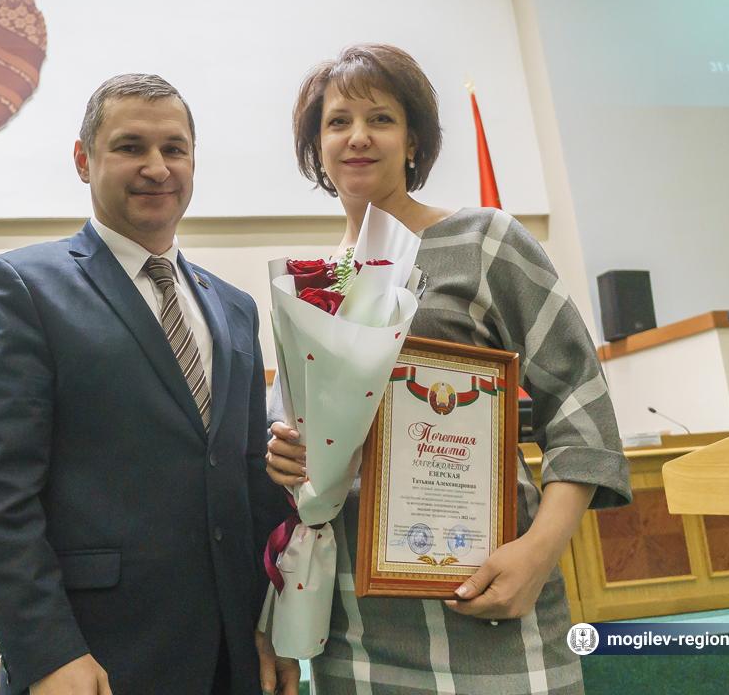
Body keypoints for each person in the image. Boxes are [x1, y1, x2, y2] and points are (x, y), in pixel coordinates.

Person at [264, 44, 631, 695]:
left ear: (413, 142)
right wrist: (286, 457)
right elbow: (304, 445)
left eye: (381, 119)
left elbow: (582, 406)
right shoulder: (310, 286)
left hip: (491, 597)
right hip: (355, 623)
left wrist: (538, 554)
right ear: (316, 146)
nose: (358, 136)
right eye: (338, 121)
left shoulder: (485, 241)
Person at [0, 74, 292, 695]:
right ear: (84, 160)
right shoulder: (23, 288)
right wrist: (48, 654)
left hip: (231, 655)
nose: (157, 168)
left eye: (174, 149)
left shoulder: (235, 307)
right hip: (95, 657)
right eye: (131, 147)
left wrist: (270, 623)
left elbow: (248, 482)